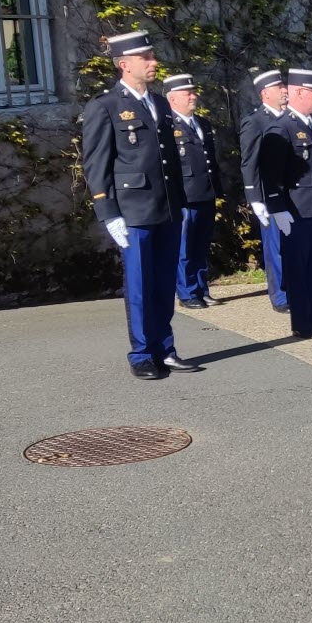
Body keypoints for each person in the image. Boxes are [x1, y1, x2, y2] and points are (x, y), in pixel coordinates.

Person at [80, 30, 197, 378]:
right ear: (124, 64)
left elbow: (169, 162)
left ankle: (165, 347)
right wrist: (108, 211)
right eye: (146, 58)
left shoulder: (159, 103)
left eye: (152, 56)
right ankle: (142, 353)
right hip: (133, 211)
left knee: (163, 282)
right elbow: (97, 164)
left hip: (167, 209)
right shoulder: (105, 106)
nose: (153, 62)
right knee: (140, 284)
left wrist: (180, 203)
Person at [259, 69, 312, 338]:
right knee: (299, 270)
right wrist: (278, 209)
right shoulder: (281, 128)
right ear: (300, 92)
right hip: (296, 211)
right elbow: (270, 175)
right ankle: (302, 324)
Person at [164, 73, 225, 310]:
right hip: (185, 196)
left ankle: (202, 289)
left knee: (201, 245)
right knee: (185, 248)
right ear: (172, 99)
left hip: (205, 193)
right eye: (187, 93)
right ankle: (187, 292)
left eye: (193, 92)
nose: (193, 96)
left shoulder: (202, 123)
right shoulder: (168, 126)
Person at [240, 68, 290, 313]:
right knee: (277, 248)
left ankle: (297, 289)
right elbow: (249, 161)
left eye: (285, 87)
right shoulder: (255, 121)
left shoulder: (289, 118)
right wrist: (254, 197)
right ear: (264, 94)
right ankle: (280, 295)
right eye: (279, 88)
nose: (284, 91)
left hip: (292, 194)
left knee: (293, 245)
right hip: (269, 195)